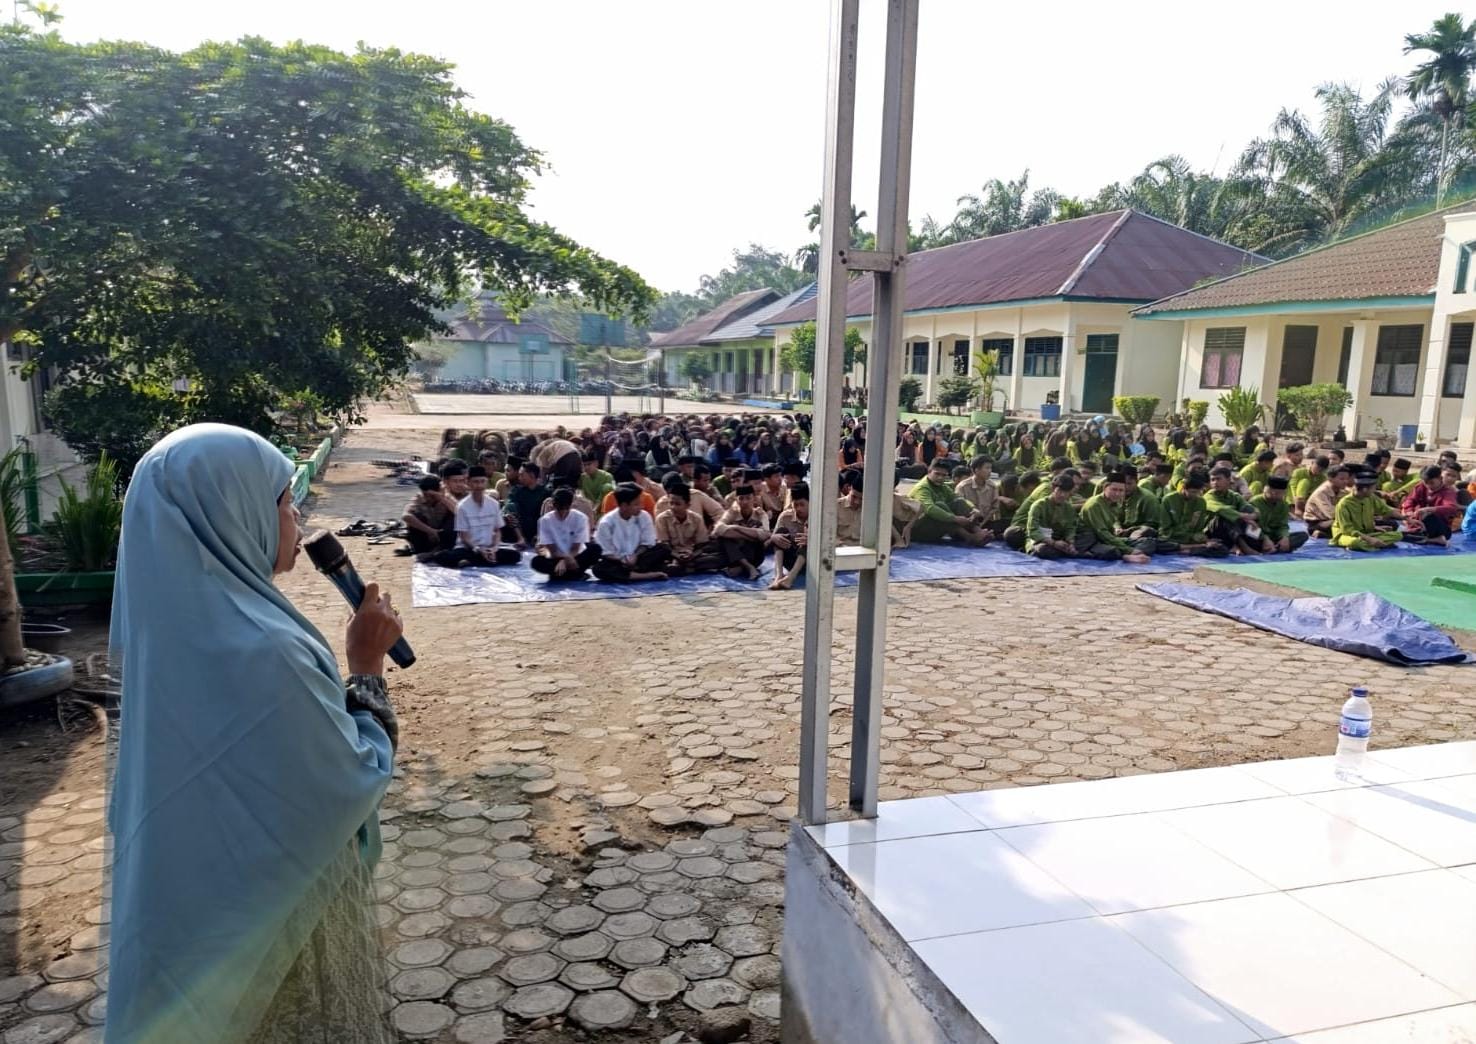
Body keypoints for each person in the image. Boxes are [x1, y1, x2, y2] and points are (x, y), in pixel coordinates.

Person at [108, 424, 401, 1044]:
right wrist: (367, 668)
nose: (297, 518)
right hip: (280, 923)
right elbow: (349, 776)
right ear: (232, 508)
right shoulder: (265, 649)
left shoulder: (172, 628)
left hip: (199, 905)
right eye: (285, 501)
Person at [437, 465, 522, 568]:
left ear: (486, 482)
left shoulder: (493, 504)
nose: (479, 485)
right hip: (469, 548)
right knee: (444, 557)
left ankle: (474, 561)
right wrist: (478, 549)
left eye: (482, 481)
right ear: (468, 483)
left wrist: (494, 548)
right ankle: (480, 560)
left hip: (488, 547)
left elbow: (497, 531)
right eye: (476, 482)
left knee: (515, 556)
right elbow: (464, 537)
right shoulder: (462, 506)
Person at [592, 484, 670, 582]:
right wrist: (622, 560)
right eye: (636, 504)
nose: (641, 506)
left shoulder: (644, 516)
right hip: (617, 561)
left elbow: (648, 542)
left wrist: (635, 555)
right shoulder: (607, 522)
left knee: (663, 548)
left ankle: (630, 574)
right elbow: (606, 552)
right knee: (599, 569)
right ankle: (647, 575)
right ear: (624, 506)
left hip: (639, 558)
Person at [908, 458, 991, 545]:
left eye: (944, 475)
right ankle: (969, 537)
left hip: (935, 526)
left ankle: (979, 532)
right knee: (940, 506)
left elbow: (958, 498)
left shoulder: (942, 486)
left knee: (959, 503)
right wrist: (955, 518)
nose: (940, 477)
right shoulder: (922, 488)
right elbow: (929, 508)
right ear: (929, 471)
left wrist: (973, 509)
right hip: (918, 530)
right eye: (937, 474)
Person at [1075, 472, 1153, 562]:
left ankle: (1128, 553)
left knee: (1148, 542)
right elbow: (1102, 533)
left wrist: (1119, 533)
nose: (1117, 494)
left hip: (1109, 537)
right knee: (1111, 551)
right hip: (1091, 540)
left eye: (1121, 490)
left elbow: (1112, 527)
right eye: (1114, 490)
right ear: (1105, 488)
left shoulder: (1116, 503)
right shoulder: (1094, 505)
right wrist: (1129, 550)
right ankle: (1125, 556)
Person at [531, 487, 603, 581]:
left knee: (595, 549)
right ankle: (572, 573)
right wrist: (563, 559)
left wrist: (566, 561)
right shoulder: (545, 520)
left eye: (566, 509)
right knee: (537, 562)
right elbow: (551, 549)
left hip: (576, 556)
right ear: (553, 505)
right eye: (560, 509)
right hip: (556, 557)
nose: (563, 513)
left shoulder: (580, 518)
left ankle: (564, 573)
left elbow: (576, 547)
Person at [655, 482, 725, 576]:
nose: (673, 507)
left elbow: (702, 544)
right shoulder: (662, 518)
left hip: (692, 555)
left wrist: (692, 555)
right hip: (671, 555)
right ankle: (687, 567)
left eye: (677, 504)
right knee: (657, 555)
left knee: (718, 557)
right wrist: (676, 556)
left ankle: (686, 567)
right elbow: (663, 544)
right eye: (671, 503)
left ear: (687, 505)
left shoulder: (696, 519)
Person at [1159, 472, 1230, 556]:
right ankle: (1190, 548)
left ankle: (1190, 550)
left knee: (1222, 549)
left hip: (1193, 540)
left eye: (1199, 492)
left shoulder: (1201, 502)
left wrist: (1203, 539)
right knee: (1160, 545)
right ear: (1184, 488)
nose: (1196, 495)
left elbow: (1199, 529)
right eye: (1193, 492)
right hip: (1172, 539)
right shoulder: (1168, 500)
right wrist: (1191, 537)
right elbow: (1165, 529)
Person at [1332, 470, 1404, 550]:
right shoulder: (1344, 504)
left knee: (1398, 535)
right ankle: (1376, 545)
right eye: (1373, 488)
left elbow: (1386, 510)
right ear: (1365, 489)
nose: (1374, 491)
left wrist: (1406, 518)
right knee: (1356, 542)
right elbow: (1347, 530)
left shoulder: (1371, 497)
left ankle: (1373, 545)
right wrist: (1369, 539)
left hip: (1367, 533)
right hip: (1348, 535)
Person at [713, 485, 771, 579]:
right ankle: (748, 567)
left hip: (754, 556)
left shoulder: (760, 514)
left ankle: (741, 567)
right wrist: (752, 534)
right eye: (741, 498)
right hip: (735, 552)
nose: (745, 502)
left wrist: (736, 528)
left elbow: (765, 535)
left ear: (754, 499)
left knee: (755, 541)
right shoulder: (732, 512)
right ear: (737, 500)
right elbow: (718, 529)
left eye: (748, 498)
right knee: (724, 539)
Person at [1204, 466, 1260, 554]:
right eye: (1212, 480)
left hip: (1234, 529)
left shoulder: (1234, 496)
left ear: (1228, 480)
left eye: (1218, 479)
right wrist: (1243, 516)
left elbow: (1249, 508)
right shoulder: (1208, 496)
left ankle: (1259, 542)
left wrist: (1254, 515)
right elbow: (1222, 509)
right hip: (1213, 531)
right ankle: (1244, 547)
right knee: (1225, 517)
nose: (1215, 483)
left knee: (1248, 512)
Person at [1024, 474, 1080, 560]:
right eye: (1060, 491)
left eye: (1066, 492)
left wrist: (1071, 542)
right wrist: (1053, 543)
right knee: (1043, 549)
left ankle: (1067, 550)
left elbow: (1070, 528)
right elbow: (1032, 530)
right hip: (1040, 541)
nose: (1062, 495)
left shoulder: (1068, 508)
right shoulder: (1039, 505)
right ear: (1053, 489)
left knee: (1084, 540)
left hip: (1059, 540)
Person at [1402, 465, 1461, 546]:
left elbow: (1451, 508)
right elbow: (1410, 500)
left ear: (1440, 478)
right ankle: (1433, 540)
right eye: (1426, 483)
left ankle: (1431, 538)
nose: (1428, 486)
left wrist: (1429, 509)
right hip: (1419, 524)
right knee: (1400, 535)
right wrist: (1409, 511)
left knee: (1429, 516)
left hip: (1440, 528)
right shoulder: (1420, 487)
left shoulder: (1448, 492)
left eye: (1432, 483)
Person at [1249, 475, 1307, 553]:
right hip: (1259, 536)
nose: (1274, 494)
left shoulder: (1283, 505)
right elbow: (1252, 527)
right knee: (1248, 537)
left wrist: (1284, 537)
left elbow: (1283, 525)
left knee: (1303, 536)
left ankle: (1275, 547)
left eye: (1278, 493)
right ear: (1265, 489)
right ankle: (1274, 548)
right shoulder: (1254, 503)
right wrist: (1265, 539)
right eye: (1272, 491)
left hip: (1274, 537)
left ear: (1283, 493)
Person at [768, 482, 810, 590]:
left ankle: (790, 578)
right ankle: (779, 575)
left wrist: (812, 541)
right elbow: (772, 538)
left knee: (807, 540)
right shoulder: (785, 516)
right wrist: (773, 537)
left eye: (802, 504)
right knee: (780, 534)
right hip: (791, 559)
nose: (798, 508)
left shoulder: (819, 516)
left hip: (811, 563)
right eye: (796, 505)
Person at [401, 475, 457, 554]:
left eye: (430, 495)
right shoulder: (418, 498)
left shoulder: (445, 496)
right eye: (425, 495)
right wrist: (431, 531)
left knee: (453, 517)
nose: (428, 498)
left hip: (443, 532)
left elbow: (459, 512)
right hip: (427, 533)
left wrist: (441, 498)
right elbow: (405, 516)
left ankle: (441, 548)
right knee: (414, 517)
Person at [503, 462, 551, 548]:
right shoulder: (517, 490)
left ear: (532, 475)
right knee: (510, 507)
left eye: (522, 475)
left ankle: (539, 538)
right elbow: (509, 504)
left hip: (537, 526)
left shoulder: (545, 492)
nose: (519, 477)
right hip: (520, 525)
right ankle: (521, 539)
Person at [954, 455, 999, 523]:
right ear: (976, 470)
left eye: (990, 468)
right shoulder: (962, 487)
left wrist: (983, 523)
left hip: (986, 522)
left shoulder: (992, 486)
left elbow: (994, 509)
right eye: (987, 468)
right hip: (967, 523)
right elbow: (959, 509)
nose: (990, 471)